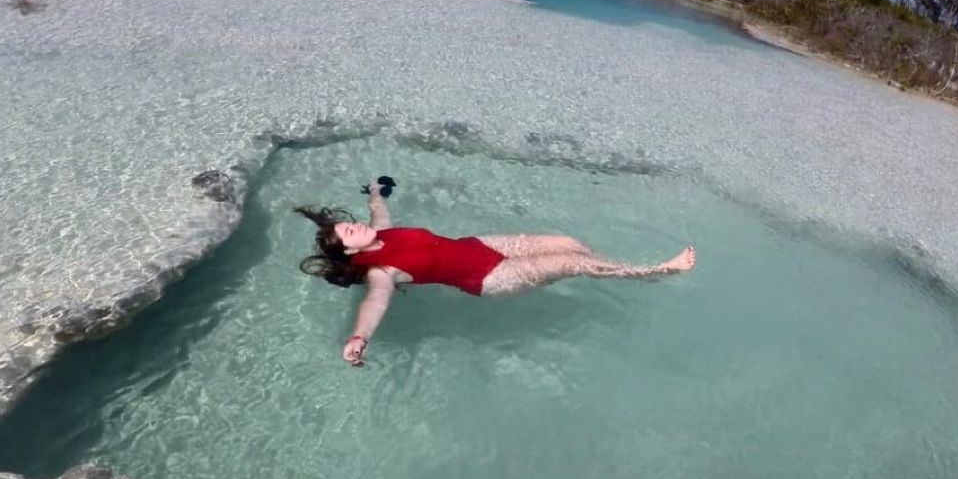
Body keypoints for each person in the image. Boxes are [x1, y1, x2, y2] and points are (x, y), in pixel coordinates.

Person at [296, 180, 696, 366]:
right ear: (350, 249)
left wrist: (374, 192)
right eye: (350, 231)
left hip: (481, 246)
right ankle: (653, 272)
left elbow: (378, 214)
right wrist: (358, 338)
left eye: (350, 223)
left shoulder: (380, 233)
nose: (357, 226)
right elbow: (375, 303)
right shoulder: (381, 272)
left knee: (569, 242)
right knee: (572, 263)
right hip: (488, 278)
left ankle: (615, 268)